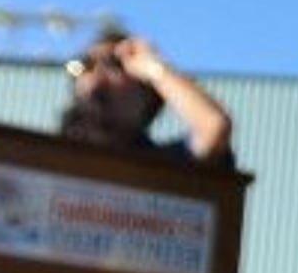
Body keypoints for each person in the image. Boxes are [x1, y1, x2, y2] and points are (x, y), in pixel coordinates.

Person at [60, 29, 234, 169]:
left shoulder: (166, 168)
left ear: (147, 99)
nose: (94, 79)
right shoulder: (47, 160)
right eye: (86, 65)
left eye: (113, 65)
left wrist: (153, 68)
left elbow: (213, 125)